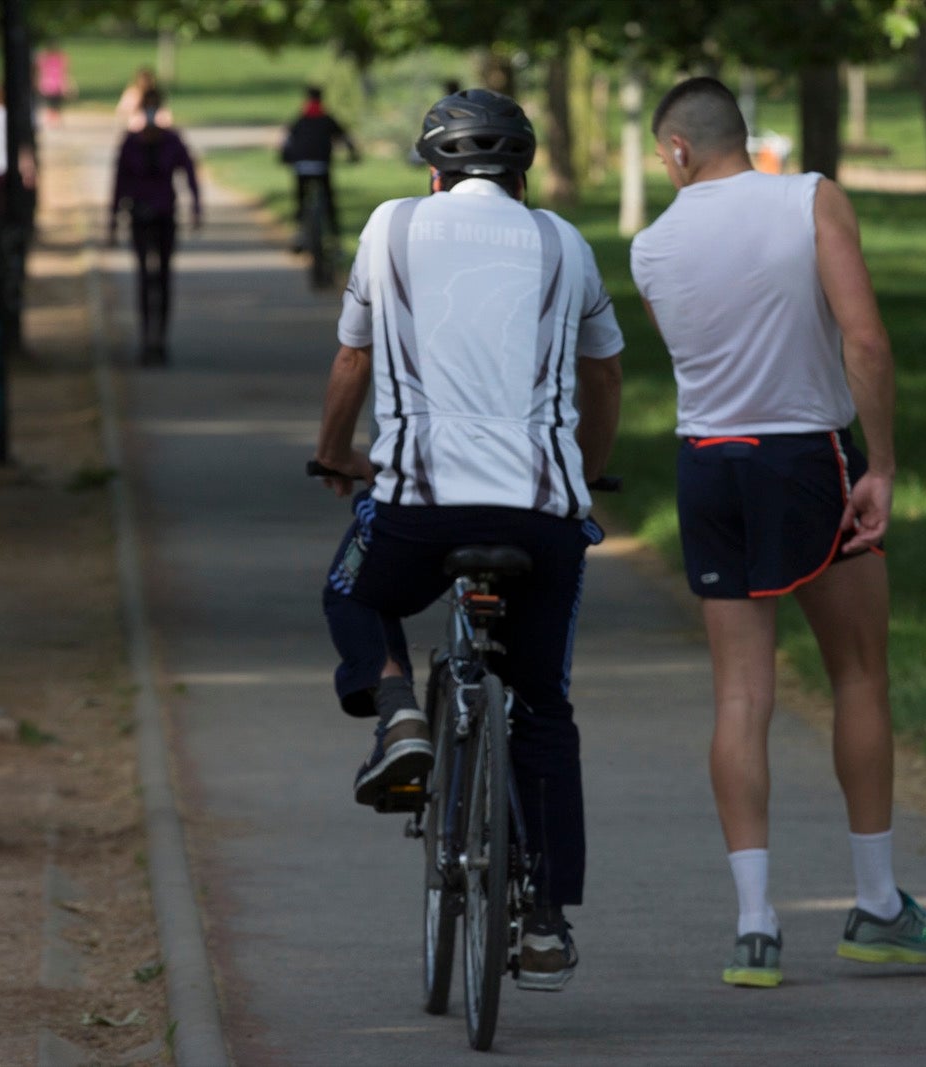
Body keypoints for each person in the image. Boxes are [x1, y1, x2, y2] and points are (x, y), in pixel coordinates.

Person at [630, 76, 926, 989]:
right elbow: (867, 339)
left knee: (740, 695)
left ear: (680, 150)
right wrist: (880, 463)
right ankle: (879, 905)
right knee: (857, 672)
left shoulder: (652, 245)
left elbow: (688, 355)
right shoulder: (810, 197)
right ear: (739, 137)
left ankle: (756, 924)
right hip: (807, 455)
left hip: (707, 463)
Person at [313, 88, 623, 992]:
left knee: (352, 592)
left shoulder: (391, 228)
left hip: (420, 508)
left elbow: (352, 360)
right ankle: (544, 917)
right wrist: (585, 471)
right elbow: (603, 371)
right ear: (522, 173)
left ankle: (399, 710)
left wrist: (336, 454)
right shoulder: (566, 243)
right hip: (542, 518)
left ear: (434, 170)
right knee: (545, 710)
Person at [108, 89, 201, 365]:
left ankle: (160, 339)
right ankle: (146, 338)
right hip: (139, 214)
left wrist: (196, 207)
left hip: (163, 214)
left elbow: (189, 173)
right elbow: (119, 182)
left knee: (162, 277)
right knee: (144, 279)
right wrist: (112, 219)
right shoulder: (131, 143)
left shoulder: (171, 141)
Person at [280, 86, 358, 250]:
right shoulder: (327, 119)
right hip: (322, 166)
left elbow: (287, 141)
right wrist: (353, 155)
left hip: (301, 167)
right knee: (329, 201)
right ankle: (335, 240)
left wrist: (285, 158)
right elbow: (345, 138)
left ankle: (299, 234)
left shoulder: (299, 120)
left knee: (300, 200)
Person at [117, 67, 171, 132]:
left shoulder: (154, 95)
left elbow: (164, 113)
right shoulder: (132, 94)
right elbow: (122, 110)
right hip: (137, 126)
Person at [35, 44, 73, 126]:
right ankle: (53, 117)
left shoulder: (48, 58)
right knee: (54, 101)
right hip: (52, 83)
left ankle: (54, 117)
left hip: (51, 83)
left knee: (54, 101)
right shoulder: (57, 58)